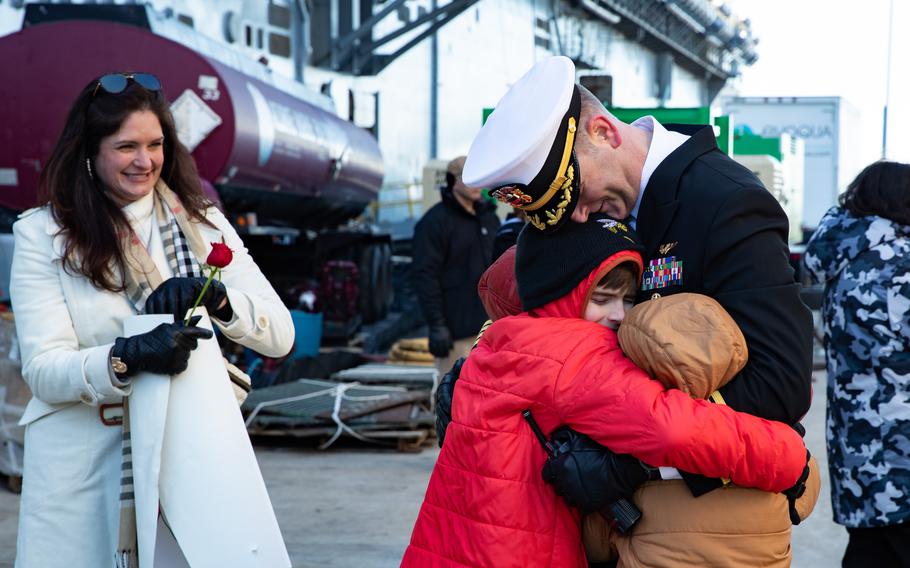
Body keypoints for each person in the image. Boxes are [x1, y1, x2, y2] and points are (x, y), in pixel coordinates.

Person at [402, 215, 810, 567]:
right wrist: (788, 455)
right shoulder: (577, 352)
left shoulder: (502, 338)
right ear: (562, 292)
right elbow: (674, 427)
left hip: (448, 546)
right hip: (515, 552)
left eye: (627, 299)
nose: (619, 315)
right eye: (601, 298)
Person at [10, 72, 294, 567]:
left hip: (188, 450)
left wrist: (222, 303)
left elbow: (281, 335)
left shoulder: (203, 223)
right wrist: (124, 359)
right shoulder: (44, 235)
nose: (145, 161)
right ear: (89, 152)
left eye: (156, 144)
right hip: (86, 467)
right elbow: (43, 370)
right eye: (126, 147)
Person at [803, 160, 910, 567]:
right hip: (902, 451)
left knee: (872, 547)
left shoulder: (844, 257)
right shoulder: (900, 262)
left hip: (855, 448)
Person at [412, 155, 500, 373]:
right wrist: (437, 325)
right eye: (467, 178)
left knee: (486, 399)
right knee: (453, 399)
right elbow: (425, 276)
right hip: (456, 334)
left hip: (491, 330)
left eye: (477, 177)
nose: (476, 184)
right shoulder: (434, 223)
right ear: (452, 182)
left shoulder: (490, 219)